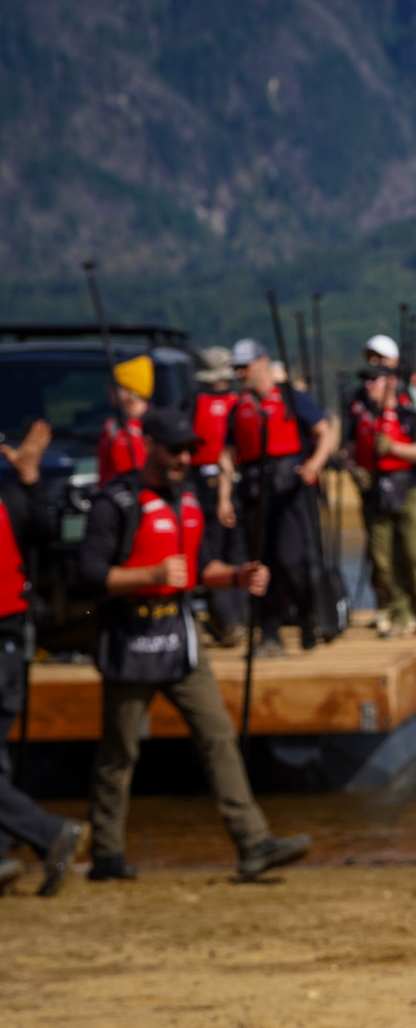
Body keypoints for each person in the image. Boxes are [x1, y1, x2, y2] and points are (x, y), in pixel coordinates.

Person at [79, 409, 310, 882]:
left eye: (189, 450)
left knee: (218, 735)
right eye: (175, 450)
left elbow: (201, 569)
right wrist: (150, 575)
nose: (184, 458)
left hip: (180, 640)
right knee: (119, 752)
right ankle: (106, 854)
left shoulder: (190, 499)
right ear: (150, 445)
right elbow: (89, 575)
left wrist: (238, 576)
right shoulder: (115, 501)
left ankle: (254, 843)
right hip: (129, 640)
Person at [0, 419, 85, 896]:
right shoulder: (11, 498)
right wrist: (29, 479)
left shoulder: (9, 500)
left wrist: (29, 477)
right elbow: (44, 530)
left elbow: (44, 534)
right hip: (12, 642)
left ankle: (49, 833)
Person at [229, 339, 336, 657]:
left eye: (245, 367)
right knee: (260, 565)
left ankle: (307, 618)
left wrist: (314, 464)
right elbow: (227, 451)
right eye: (237, 368)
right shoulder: (240, 406)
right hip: (254, 492)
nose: (240, 373)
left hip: (290, 492)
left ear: (263, 362)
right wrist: (224, 493)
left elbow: (325, 432)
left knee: (292, 562)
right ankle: (269, 632)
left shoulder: (292, 398)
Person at [346, 365, 416, 637]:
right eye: (366, 380)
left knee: (413, 553)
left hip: (409, 488)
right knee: (382, 559)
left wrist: (393, 448)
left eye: (374, 379)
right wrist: (354, 470)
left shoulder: (409, 413)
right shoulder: (360, 416)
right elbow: (348, 449)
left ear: (390, 382)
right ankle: (398, 612)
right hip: (376, 491)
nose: (368, 385)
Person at [190, 347, 246, 646]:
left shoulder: (196, 403)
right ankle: (232, 620)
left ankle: (232, 621)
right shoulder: (240, 401)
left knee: (219, 555)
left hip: (217, 486)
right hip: (225, 486)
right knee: (229, 554)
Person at [96, 353, 153, 487]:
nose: (108, 389)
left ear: (131, 391)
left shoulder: (154, 426)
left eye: (115, 385)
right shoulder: (112, 427)